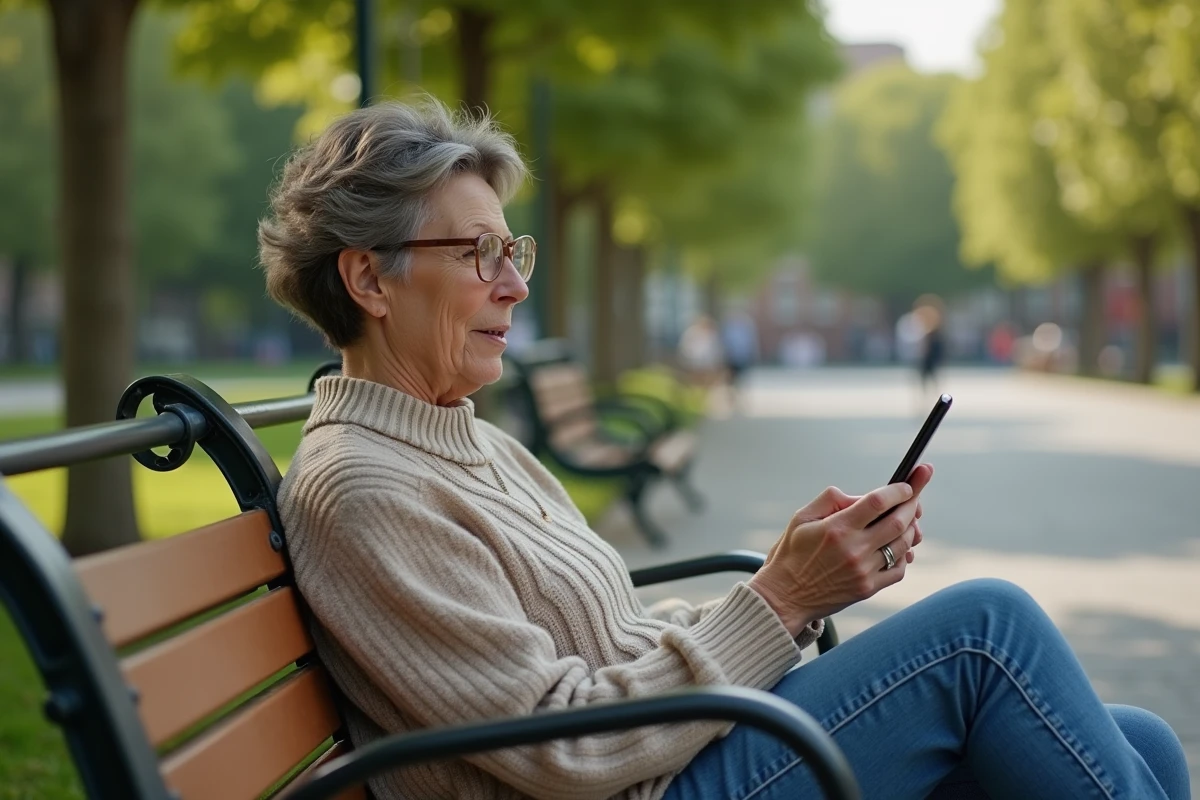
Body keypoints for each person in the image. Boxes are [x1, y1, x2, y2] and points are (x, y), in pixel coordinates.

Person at [260, 99, 1189, 800]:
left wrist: (785, 589)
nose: (512, 286)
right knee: (988, 632)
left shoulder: (472, 447)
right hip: (645, 786)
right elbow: (559, 745)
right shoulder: (363, 487)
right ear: (368, 279)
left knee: (1140, 738)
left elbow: (611, 646)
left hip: (681, 755)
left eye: (517, 253)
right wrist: (777, 599)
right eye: (477, 254)